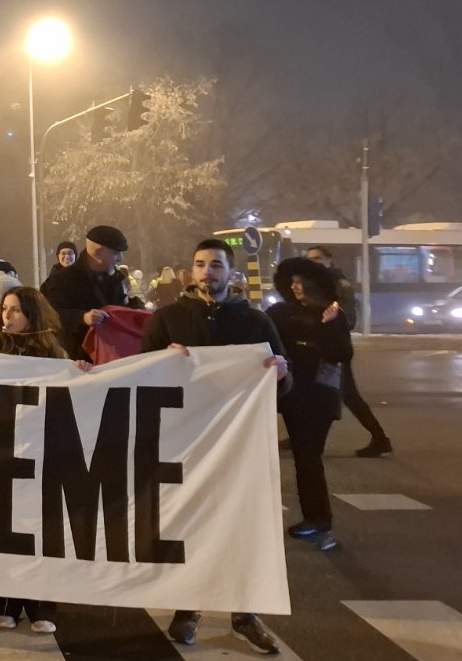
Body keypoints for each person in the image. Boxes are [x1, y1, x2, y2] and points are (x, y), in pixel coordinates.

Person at [140, 238, 292, 655]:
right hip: (186, 442)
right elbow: (139, 375)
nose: (209, 272)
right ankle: (187, 608)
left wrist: (280, 373)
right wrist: (161, 362)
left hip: (239, 446)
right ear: (191, 272)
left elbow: (283, 376)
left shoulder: (256, 322)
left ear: (231, 272)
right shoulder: (169, 319)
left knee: (242, 527)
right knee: (190, 525)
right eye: (201, 265)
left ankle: (244, 615)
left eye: (217, 265)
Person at [0, 287, 75, 634]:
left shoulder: (54, 352)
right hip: (1, 449)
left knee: (39, 527)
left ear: (32, 314)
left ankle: (41, 604)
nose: (8, 315)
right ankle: (4, 601)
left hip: (40, 450)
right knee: (1, 526)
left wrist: (82, 373)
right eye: (5, 309)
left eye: (16, 310)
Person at [270, 257, 349, 553]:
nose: (296, 286)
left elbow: (342, 353)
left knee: (308, 458)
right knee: (304, 459)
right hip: (290, 395)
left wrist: (326, 327)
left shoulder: (332, 314)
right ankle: (315, 517)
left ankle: (318, 518)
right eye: (292, 281)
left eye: (302, 281)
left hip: (319, 398)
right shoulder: (280, 312)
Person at [304, 246, 392, 457]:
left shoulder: (339, 285)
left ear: (329, 260)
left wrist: (326, 320)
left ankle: (380, 438)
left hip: (335, 348)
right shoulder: (310, 284)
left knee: (349, 396)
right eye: (310, 259)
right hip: (316, 347)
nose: (314, 262)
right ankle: (301, 435)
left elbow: (349, 319)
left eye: (318, 258)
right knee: (308, 392)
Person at [40, 225, 129, 363]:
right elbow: (49, 314)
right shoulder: (61, 280)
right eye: (115, 253)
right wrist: (82, 317)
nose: (120, 259)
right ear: (98, 252)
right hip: (76, 361)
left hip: (111, 358)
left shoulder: (116, 280)